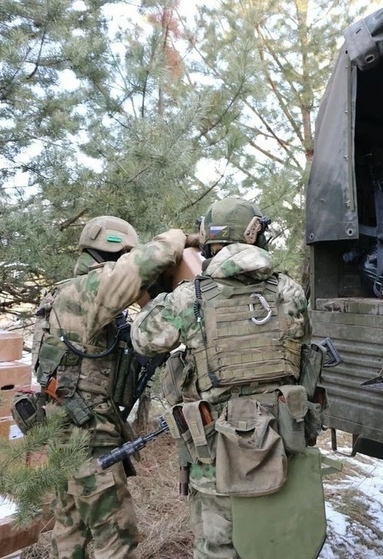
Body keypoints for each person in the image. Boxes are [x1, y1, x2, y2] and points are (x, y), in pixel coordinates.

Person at [130, 197, 314, 559]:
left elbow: (143, 340)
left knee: (219, 548)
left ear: (209, 242)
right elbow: (301, 338)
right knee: (282, 540)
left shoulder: (189, 299)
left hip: (214, 449)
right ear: (256, 236)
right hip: (284, 440)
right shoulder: (288, 291)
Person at [29, 216, 198, 559]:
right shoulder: (90, 289)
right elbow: (137, 267)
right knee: (116, 540)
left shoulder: (65, 291)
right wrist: (180, 237)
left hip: (66, 434)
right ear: (117, 253)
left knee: (70, 529)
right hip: (87, 440)